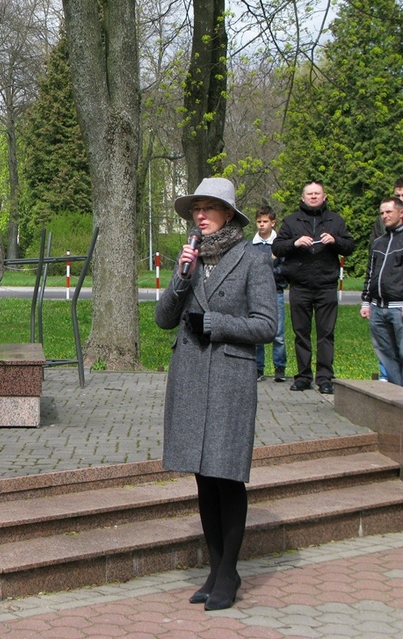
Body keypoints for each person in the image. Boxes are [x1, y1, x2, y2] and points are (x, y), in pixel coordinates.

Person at [155, 178, 278, 611]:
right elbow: (163, 320)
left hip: (229, 379)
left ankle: (229, 572)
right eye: (195, 209)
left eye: (209, 208)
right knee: (202, 478)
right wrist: (181, 280)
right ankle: (215, 567)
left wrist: (215, 324)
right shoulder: (188, 259)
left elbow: (267, 326)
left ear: (229, 215)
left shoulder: (252, 260)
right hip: (190, 377)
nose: (200, 215)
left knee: (226, 476)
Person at [272, 181, 355, 395]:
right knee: (301, 333)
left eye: (317, 193)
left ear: (324, 196)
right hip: (299, 286)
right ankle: (303, 376)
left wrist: (335, 241)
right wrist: (295, 243)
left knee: (326, 334)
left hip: (326, 285)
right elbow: (277, 247)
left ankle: (325, 378)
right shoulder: (291, 221)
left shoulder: (335, 220)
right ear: (303, 198)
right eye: (310, 194)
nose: (314, 197)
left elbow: (350, 246)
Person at [361, 197, 403, 385]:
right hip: (378, 309)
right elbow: (370, 273)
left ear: (401, 213)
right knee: (387, 356)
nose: (384, 216)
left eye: (388, 212)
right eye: (382, 213)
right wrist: (366, 302)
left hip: (398, 308)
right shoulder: (378, 242)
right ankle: (396, 396)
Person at [250, 206, 287, 382]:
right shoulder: (252, 244)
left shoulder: (279, 244)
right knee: (257, 331)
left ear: (273, 223)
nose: (261, 225)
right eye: (259, 222)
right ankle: (258, 368)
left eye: (265, 222)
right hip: (255, 293)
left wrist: (268, 270)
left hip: (275, 291)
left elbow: (284, 269)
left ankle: (280, 367)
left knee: (278, 334)